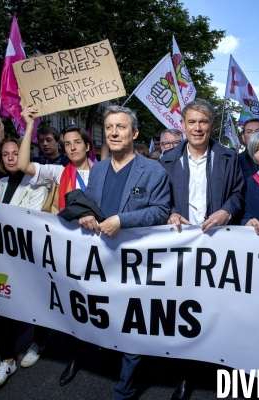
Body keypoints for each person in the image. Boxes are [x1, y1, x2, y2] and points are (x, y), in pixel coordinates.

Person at [78, 105, 170, 399]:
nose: (114, 133)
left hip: (135, 261)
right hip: (102, 259)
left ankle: (125, 390)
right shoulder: (99, 169)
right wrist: (85, 216)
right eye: (108, 128)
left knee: (132, 323)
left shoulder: (154, 170)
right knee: (107, 313)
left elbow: (160, 211)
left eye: (120, 127)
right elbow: (90, 206)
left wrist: (123, 220)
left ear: (135, 133)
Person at [160, 99, 244, 399]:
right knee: (186, 310)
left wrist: (226, 212)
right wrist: (168, 212)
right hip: (181, 247)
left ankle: (220, 366)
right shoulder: (166, 161)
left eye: (203, 121)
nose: (197, 128)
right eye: (192, 122)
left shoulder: (228, 157)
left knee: (216, 308)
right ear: (183, 125)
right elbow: (160, 200)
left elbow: (237, 194)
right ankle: (185, 374)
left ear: (211, 124)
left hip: (216, 246)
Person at [17, 107, 94, 385]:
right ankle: (75, 357)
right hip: (69, 251)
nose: (72, 148)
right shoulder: (60, 172)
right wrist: (29, 126)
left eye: (77, 143)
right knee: (73, 305)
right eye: (67, 144)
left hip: (99, 253)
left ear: (87, 145)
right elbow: (24, 165)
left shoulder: (103, 172)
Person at [0, 137, 48, 388]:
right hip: (3, 259)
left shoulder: (37, 184)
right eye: (6, 154)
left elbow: (30, 220)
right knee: (3, 306)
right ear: (0, 159)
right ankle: (7, 360)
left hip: (28, 257)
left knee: (36, 303)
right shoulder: (1, 183)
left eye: (16, 152)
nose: (12, 158)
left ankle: (39, 341)